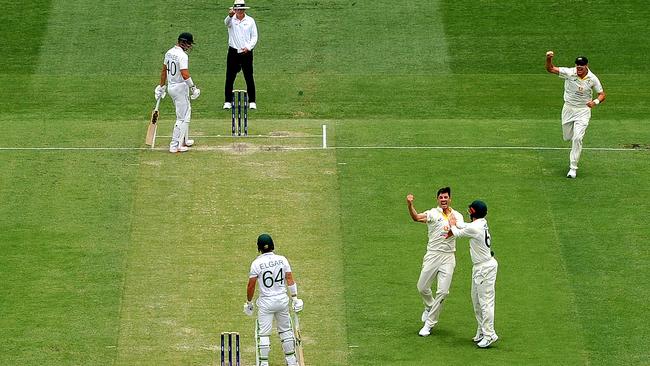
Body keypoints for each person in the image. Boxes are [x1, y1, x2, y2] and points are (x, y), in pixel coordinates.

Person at [406, 187, 464, 337]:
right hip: (433, 255)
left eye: (446, 197)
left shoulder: (457, 215)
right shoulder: (433, 213)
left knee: (443, 291)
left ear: (450, 199)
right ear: (437, 199)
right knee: (422, 287)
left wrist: (453, 225)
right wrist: (410, 204)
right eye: (441, 197)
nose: (443, 200)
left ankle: (429, 324)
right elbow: (416, 218)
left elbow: (461, 231)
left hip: (449, 256)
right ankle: (429, 307)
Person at [244, 234, 303, 366]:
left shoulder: (256, 263)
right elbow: (289, 279)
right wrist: (295, 298)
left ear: (259, 248)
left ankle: (264, 363)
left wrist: (249, 303)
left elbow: (251, 285)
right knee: (286, 331)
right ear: (272, 246)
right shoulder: (282, 260)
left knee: (263, 334)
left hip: (266, 303)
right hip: (282, 301)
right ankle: (292, 361)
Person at [545, 51, 606, 178]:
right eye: (577, 66)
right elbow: (550, 69)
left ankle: (573, 168)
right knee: (567, 137)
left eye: (581, 67)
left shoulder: (593, 78)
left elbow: (602, 94)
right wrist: (549, 59)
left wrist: (595, 102)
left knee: (577, 138)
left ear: (586, 66)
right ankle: (573, 139)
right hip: (568, 108)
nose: (579, 69)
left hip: (583, 111)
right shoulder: (569, 73)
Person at [448, 200, 499, 348]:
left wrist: (452, 223)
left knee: (485, 302)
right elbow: (466, 226)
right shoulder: (480, 223)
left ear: (473, 212)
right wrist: (456, 221)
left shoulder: (476, 228)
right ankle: (482, 331)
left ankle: (490, 334)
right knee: (476, 300)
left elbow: (458, 233)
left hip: (485, 269)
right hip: (480, 268)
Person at [155, 32, 201, 153]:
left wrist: (161, 85)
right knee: (182, 117)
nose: (190, 47)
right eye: (189, 44)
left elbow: (164, 70)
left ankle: (184, 140)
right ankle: (175, 145)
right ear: (184, 43)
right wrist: (193, 87)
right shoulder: (182, 56)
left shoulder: (169, 52)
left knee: (186, 112)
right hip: (180, 88)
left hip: (171, 87)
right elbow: (185, 73)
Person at [223, 0, 258, 110]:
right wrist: (229, 16)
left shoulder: (250, 21)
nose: (239, 11)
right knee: (230, 77)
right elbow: (226, 23)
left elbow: (254, 36)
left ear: (244, 10)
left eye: (240, 9)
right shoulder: (231, 20)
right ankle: (227, 101)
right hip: (233, 52)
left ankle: (252, 101)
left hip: (246, 53)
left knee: (248, 76)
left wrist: (248, 47)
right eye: (237, 9)